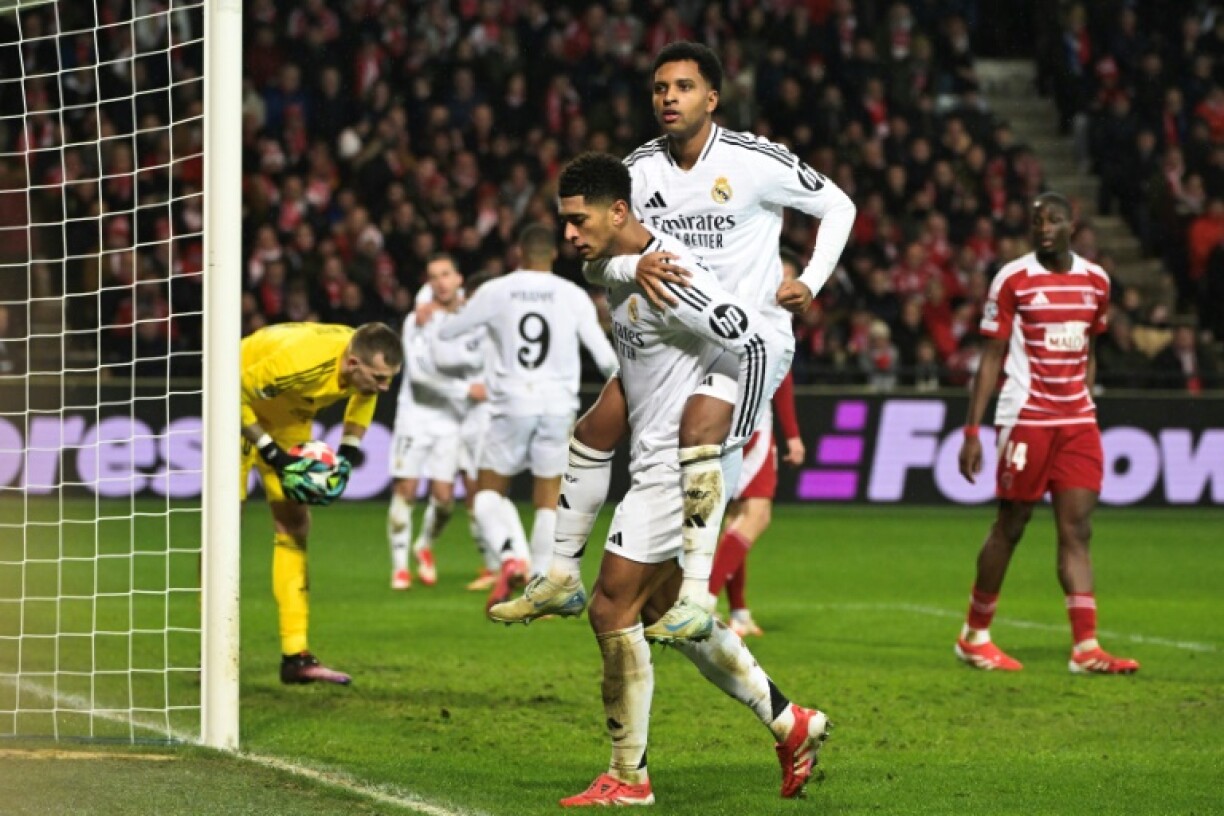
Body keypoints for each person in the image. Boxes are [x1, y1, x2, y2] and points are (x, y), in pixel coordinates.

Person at [490, 41, 854, 640]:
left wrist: (811, 281)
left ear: (711, 98)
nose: (669, 98)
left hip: (747, 335)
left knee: (701, 436)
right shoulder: (638, 172)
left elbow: (839, 205)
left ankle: (696, 595)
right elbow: (595, 261)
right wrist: (633, 269)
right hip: (676, 335)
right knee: (596, 426)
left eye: (683, 87)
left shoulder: (753, 161)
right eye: (660, 88)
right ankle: (560, 575)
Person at [548, 152, 830, 807]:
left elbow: (749, 340)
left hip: (676, 464)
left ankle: (629, 776)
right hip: (657, 458)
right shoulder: (622, 266)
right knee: (661, 609)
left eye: (577, 219)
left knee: (610, 606)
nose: (568, 232)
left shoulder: (671, 272)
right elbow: (599, 263)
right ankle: (792, 725)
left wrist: (729, 431)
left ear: (618, 212)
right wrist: (620, 263)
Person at [955, 192, 1140, 675]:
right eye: (1037, 220)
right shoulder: (1013, 278)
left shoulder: (1096, 281)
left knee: (1077, 530)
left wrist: (1086, 396)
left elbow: (1090, 346)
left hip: (1077, 420)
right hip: (1027, 417)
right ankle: (974, 635)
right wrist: (974, 429)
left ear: (1072, 224)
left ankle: (1086, 648)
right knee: (1011, 525)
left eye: (1053, 220)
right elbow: (991, 357)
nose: (1044, 227)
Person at [437, 224, 619, 609]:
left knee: (487, 491)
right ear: (552, 255)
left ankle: (507, 557)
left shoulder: (496, 290)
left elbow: (451, 331)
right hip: (557, 406)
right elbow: (604, 358)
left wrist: (454, 314)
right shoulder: (572, 295)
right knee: (548, 498)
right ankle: (541, 584)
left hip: (511, 403)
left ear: (518, 254)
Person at [241, 321, 402, 684]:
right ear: (352, 365)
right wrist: (274, 455)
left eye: (390, 378)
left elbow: (364, 401)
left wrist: (346, 455)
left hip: (289, 416)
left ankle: (295, 656)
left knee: (295, 526)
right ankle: (213, 649)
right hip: (237, 403)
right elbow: (228, 392)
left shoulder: (362, 362)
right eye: (378, 377)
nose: (384, 386)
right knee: (225, 527)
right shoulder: (301, 361)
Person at [708, 252, 806, 638]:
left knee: (734, 519)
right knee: (757, 515)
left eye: (789, 280)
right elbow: (780, 381)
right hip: (751, 424)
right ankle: (701, 597)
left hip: (718, 413)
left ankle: (740, 613)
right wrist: (793, 435)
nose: (784, 287)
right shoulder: (771, 318)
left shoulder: (733, 302)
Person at [387, 254, 486, 590]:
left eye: (446, 274)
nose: (441, 281)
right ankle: (400, 567)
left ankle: (423, 545)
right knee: (406, 490)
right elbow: (417, 377)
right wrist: (465, 389)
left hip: (451, 419)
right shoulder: (417, 321)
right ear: (428, 284)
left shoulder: (470, 317)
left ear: (458, 278)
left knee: (444, 499)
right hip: (415, 415)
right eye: (434, 277)